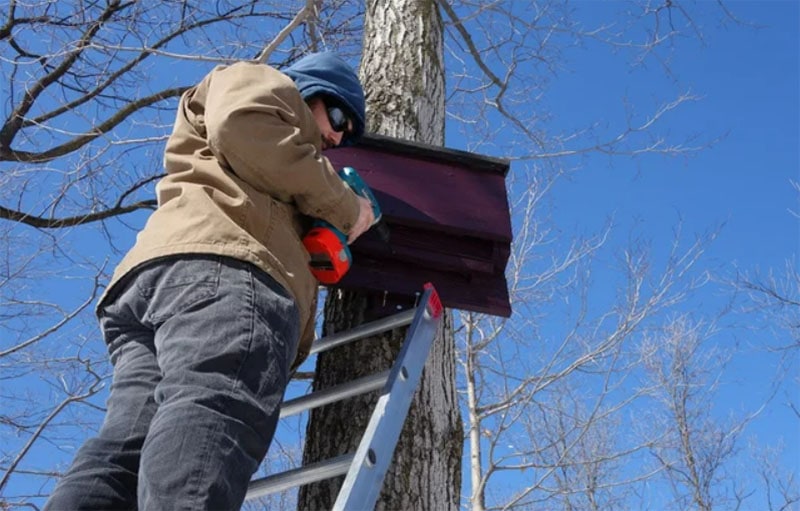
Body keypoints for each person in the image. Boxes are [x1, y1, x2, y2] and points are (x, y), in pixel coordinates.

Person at [45, 52, 374, 510]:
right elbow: (243, 127)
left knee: (126, 450)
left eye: (347, 135)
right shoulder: (265, 83)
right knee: (214, 410)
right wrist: (345, 204)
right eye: (338, 114)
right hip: (229, 275)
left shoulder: (274, 177)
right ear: (307, 88)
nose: (338, 135)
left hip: (164, 282)